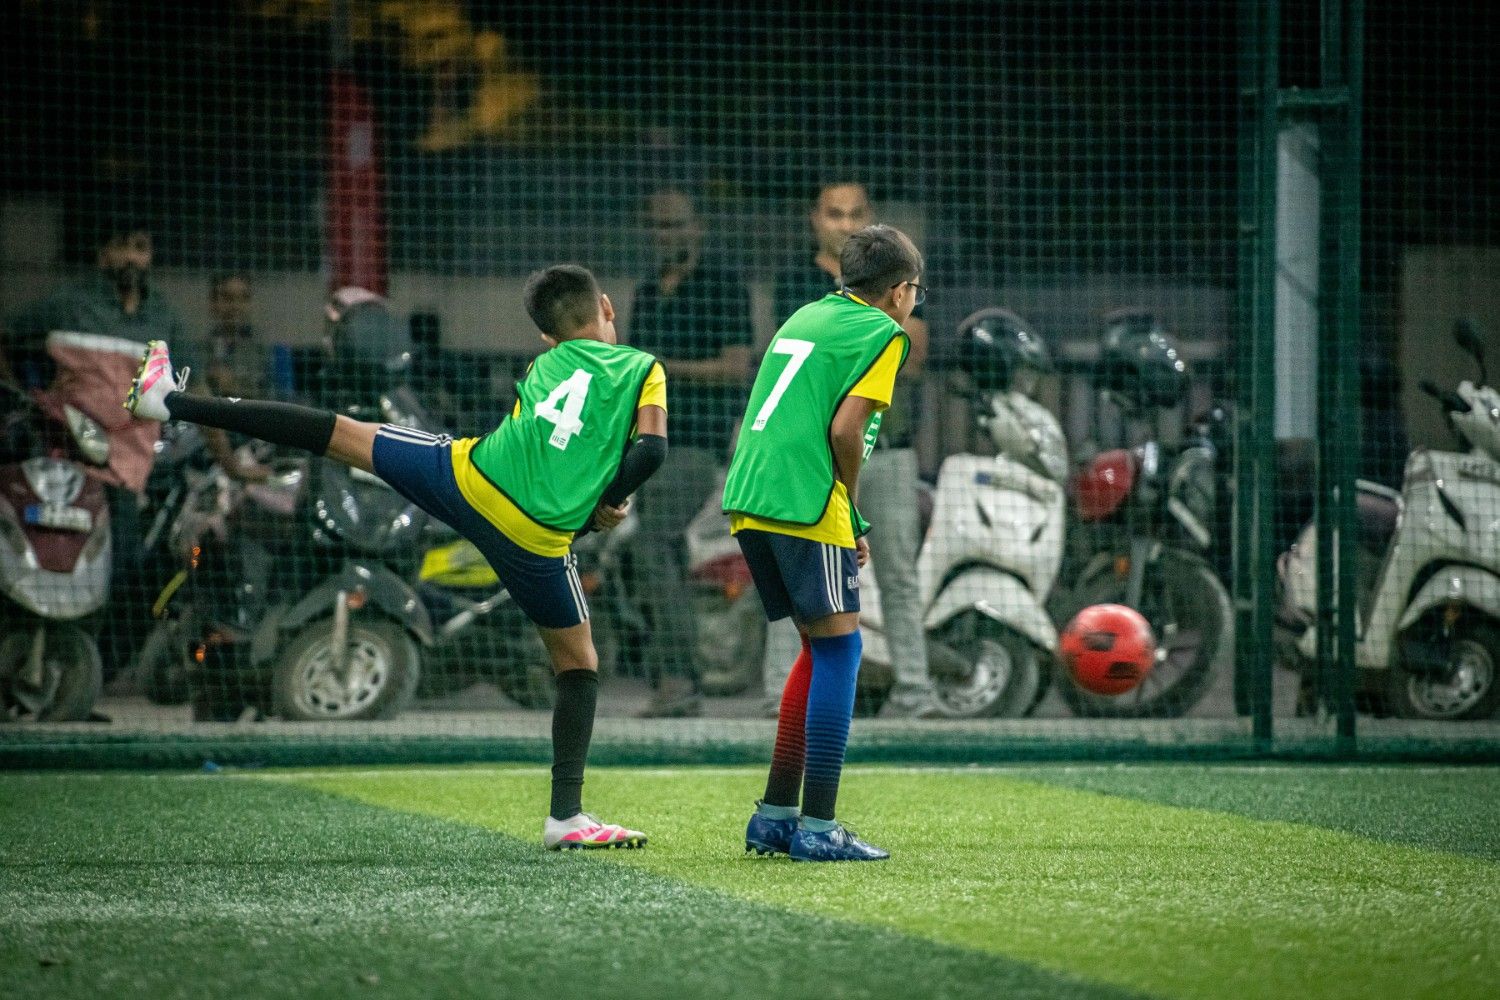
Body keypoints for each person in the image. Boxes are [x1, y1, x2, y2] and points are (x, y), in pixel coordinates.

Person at [124, 264, 667, 851]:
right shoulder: (643, 368)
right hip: (538, 540)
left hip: (471, 484)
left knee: (338, 434)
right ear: (607, 306)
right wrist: (608, 500)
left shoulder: (544, 365)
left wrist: (600, 497)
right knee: (578, 666)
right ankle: (566, 817)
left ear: (545, 336)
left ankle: (171, 402)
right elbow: (651, 450)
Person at [725, 224, 923, 862]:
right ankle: (819, 827)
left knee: (817, 648)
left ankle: (775, 817)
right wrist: (851, 508)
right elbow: (845, 431)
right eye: (915, 293)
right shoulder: (884, 333)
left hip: (751, 493)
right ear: (899, 292)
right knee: (843, 651)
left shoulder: (807, 315)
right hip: (804, 497)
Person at [764, 182, 937, 719]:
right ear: (815, 219)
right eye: (835, 214)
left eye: (856, 214)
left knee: (899, 574)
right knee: (797, 575)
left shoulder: (897, 275)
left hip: (889, 450)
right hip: (822, 458)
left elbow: (916, 351)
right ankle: (778, 695)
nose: (845, 224)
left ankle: (915, 691)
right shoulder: (797, 282)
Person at [2, 215, 186, 677]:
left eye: (141, 247)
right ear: (103, 255)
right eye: (122, 247)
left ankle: (90, 674)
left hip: (125, 470)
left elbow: (188, 386)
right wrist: (17, 395)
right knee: (42, 559)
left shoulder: (163, 318)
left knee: (119, 570)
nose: (132, 258)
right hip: (63, 461)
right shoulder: (69, 304)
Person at [625, 187, 754, 717]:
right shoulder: (647, 291)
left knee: (652, 545)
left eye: (677, 224)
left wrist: (664, 367)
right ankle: (678, 678)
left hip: (697, 443)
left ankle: (678, 677)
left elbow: (737, 366)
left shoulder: (723, 286)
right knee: (660, 551)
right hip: (651, 444)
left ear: (698, 228)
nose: (668, 235)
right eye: (659, 226)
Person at [178, 273, 275, 482]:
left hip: (250, 439)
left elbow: (274, 398)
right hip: (205, 445)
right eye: (227, 298)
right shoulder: (197, 351)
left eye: (243, 298)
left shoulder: (263, 352)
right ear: (213, 303)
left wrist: (233, 385)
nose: (235, 306)